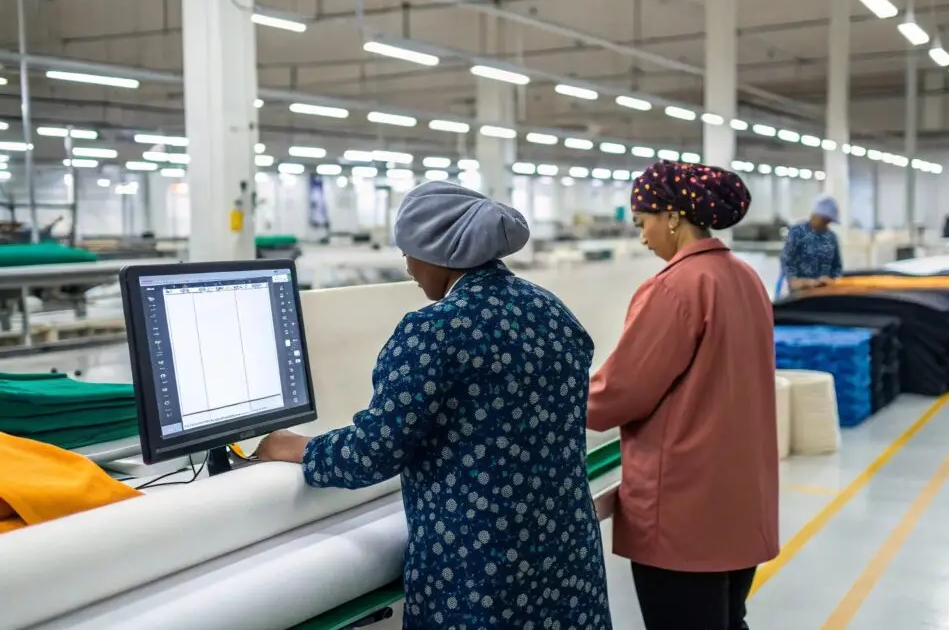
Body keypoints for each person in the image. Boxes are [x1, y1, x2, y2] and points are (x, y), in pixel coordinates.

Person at [257, 181, 612, 630]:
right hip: (565, 554)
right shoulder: (552, 311)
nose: (407, 266)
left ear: (438, 252)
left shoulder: (433, 331)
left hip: (480, 571)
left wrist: (297, 448)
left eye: (409, 252)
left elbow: (373, 451)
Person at [587, 161, 778, 630]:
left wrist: (548, 401)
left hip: (683, 511)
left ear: (671, 215)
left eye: (643, 222)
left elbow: (620, 393)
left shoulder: (674, 286)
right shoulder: (745, 277)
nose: (643, 237)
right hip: (739, 500)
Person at [780, 194, 843, 292]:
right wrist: (795, 281)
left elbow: (837, 266)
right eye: (824, 220)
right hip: (800, 292)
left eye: (828, 221)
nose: (825, 223)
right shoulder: (797, 232)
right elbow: (787, 260)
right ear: (815, 215)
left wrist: (832, 281)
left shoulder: (831, 238)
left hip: (825, 292)